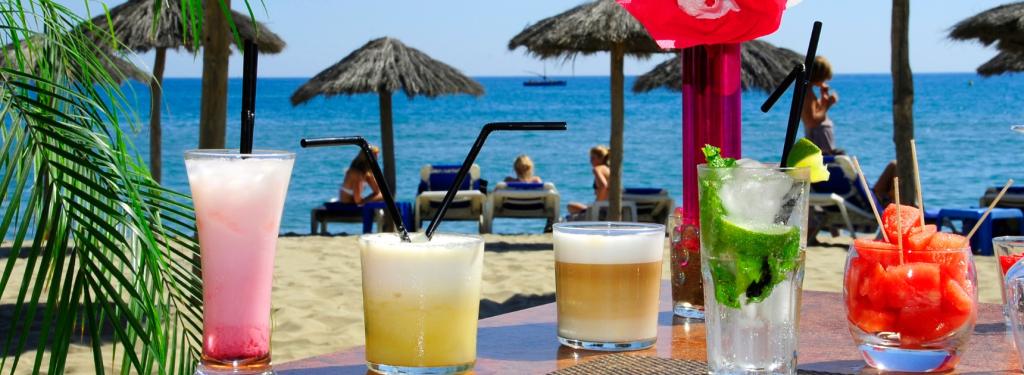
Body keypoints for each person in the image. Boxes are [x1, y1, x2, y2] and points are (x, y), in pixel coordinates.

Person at [801, 56, 843, 156]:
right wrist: (828, 104)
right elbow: (811, 121)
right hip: (819, 143)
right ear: (819, 76)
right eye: (824, 78)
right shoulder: (808, 94)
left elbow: (815, 113)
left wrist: (824, 98)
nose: (826, 81)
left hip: (821, 142)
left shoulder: (809, 92)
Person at [568, 145, 611, 215]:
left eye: (593, 158)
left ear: (601, 159)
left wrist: (596, 205)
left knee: (570, 206)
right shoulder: (609, 169)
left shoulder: (598, 169)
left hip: (601, 208)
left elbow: (603, 186)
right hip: (609, 206)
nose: (590, 161)